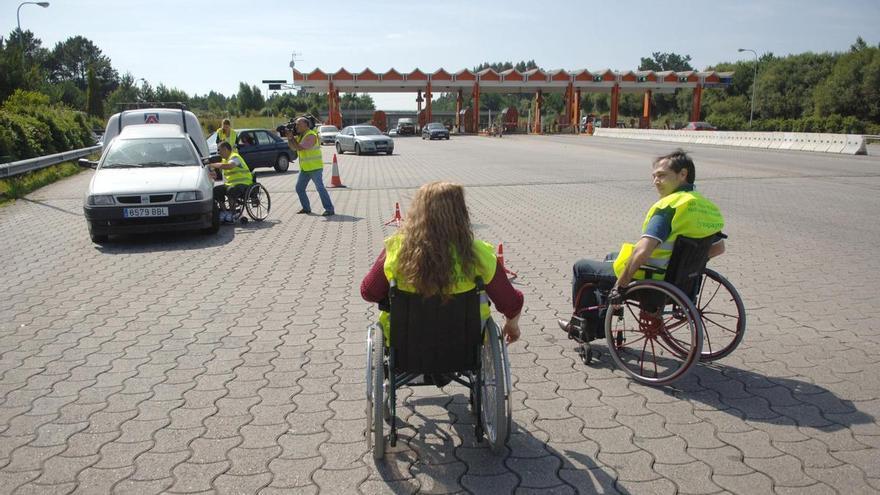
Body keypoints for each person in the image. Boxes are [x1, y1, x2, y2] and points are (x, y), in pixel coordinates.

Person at [361, 182, 523, 384]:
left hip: (407, 347)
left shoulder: (397, 250)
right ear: (461, 213)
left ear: (418, 213)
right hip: (464, 348)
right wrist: (512, 326)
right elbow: (511, 302)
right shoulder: (479, 254)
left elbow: (368, 292)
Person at [558, 149, 725, 337]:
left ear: (683, 174)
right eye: (654, 177)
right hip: (683, 281)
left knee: (581, 268)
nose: (655, 181)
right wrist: (684, 264)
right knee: (611, 257)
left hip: (653, 278)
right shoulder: (705, 206)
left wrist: (620, 286)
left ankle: (584, 329)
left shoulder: (669, 207)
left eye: (661, 175)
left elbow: (643, 251)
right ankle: (601, 322)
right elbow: (719, 248)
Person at [289, 117, 334, 216]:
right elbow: (293, 148)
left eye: (298, 124)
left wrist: (292, 138)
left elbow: (300, 148)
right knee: (299, 188)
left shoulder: (311, 135)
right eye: (296, 124)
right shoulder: (301, 136)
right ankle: (306, 208)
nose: (296, 126)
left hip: (315, 167)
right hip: (305, 168)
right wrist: (290, 138)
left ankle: (329, 209)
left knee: (320, 188)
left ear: (306, 125)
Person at [209, 141, 253, 223]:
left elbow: (230, 166)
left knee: (231, 190)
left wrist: (213, 165)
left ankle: (233, 213)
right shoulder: (224, 160)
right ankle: (225, 212)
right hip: (231, 184)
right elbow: (220, 173)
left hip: (244, 183)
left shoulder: (235, 157)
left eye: (219, 150)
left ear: (225, 149)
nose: (218, 153)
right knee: (216, 190)